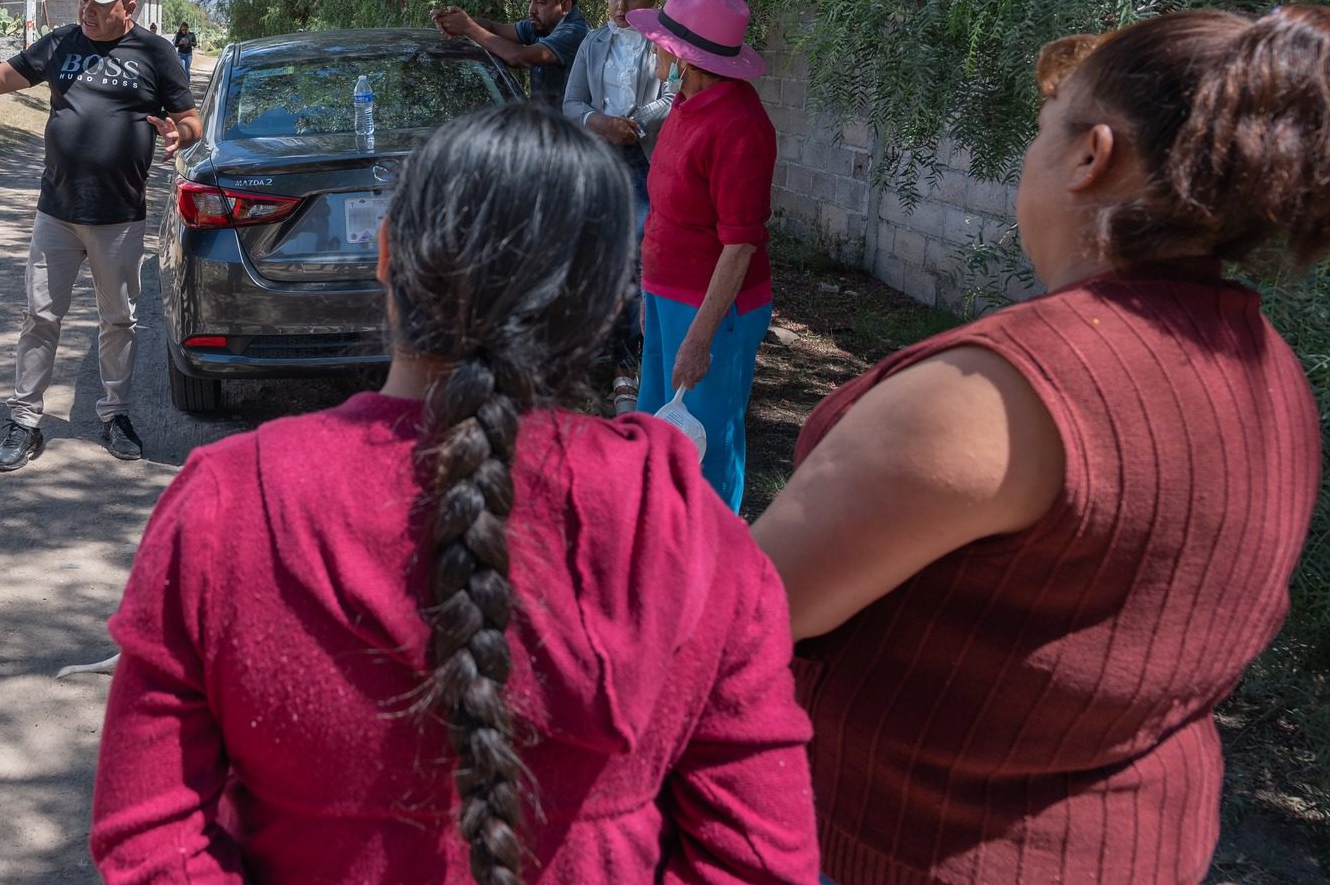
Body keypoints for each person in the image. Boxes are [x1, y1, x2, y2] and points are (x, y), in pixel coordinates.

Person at [91, 102, 817, 882]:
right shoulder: (687, 531)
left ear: (384, 254)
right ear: (611, 303)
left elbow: (149, 840)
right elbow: (758, 860)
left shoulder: (227, 505)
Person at [753, 6, 1329, 885]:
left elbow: (757, 605)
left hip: (908, 844)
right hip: (1136, 849)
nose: (1028, 158)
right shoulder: (1273, 375)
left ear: (1091, 156)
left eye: (1040, 133)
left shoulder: (1000, 392)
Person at [0, 0, 201, 471]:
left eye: (98, 4)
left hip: (119, 216)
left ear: (128, 8)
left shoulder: (156, 53)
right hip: (58, 211)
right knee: (40, 317)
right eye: (83, 1)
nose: (86, 11)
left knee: (119, 320)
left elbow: (191, 120)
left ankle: (115, 416)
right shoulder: (62, 43)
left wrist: (178, 134)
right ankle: (24, 422)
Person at [626, 0, 775, 511]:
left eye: (660, 40)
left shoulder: (740, 127)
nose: (653, 46)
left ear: (681, 55)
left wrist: (698, 337)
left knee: (708, 443)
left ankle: (714, 560)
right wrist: (650, 296)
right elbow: (667, 214)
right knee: (660, 428)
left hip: (714, 308)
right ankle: (667, 543)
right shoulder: (688, 104)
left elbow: (739, 246)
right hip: (669, 297)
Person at [563, 0, 673, 413]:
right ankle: (605, 361)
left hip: (647, 162)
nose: (620, 6)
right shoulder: (593, 42)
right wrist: (599, 121)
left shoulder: (662, 45)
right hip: (598, 160)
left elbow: (672, 96)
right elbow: (572, 102)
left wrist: (636, 123)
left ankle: (633, 369)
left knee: (642, 260)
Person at [431, 0, 592, 105]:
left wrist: (468, 27)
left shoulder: (574, 33)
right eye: (530, 1)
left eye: (540, 2)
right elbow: (493, 28)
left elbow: (519, 57)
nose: (531, 9)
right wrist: (453, 21)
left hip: (570, 135)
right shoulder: (542, 24)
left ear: (565, 6)